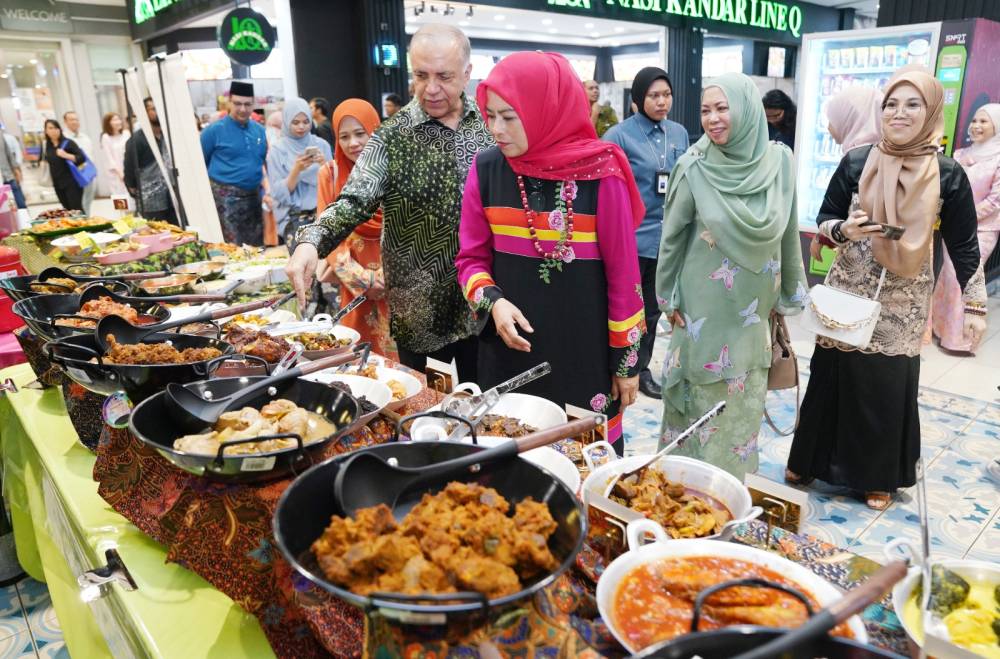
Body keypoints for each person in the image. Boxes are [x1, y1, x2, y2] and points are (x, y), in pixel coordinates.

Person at [786, 71, 987, 510]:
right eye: (891, 104)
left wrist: (974, 305)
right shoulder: (857, 161)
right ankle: (809, 460)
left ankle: (875, 477)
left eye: (913, 105)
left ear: (931, 112)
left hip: (903, 298)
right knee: (831, 377)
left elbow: (963, 244)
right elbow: (825, 219)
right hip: (848, 292)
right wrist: (844, 230)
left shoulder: (947, 174)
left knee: (885, 388)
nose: (899, 113)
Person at [456, 51, 646, 453]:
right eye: (491, 116)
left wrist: (626, 364)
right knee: (508, 457)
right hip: (510, 349)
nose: (497, 129)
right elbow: (470, 260)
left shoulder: (601, 174)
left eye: (510, 117)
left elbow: (624, 278)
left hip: (584, 353)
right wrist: (493, 303)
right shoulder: (487, 169)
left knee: (582, 460)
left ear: (545, 109)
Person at [285, 24, 494, 382]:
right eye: (421, 76)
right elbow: (353, 199)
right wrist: (310, 242)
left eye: (444, 76)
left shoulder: (489, 127)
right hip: (420, 312)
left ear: (467, 73)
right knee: (425, 404)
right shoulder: (392, 137)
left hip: (486, 303)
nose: (431, 88)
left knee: (488, 403)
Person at [656, 73, 806, 481]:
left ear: (745, 110)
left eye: (722, 108)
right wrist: (667, 297)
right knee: (697, 404)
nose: (712, 119)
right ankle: (683, 488)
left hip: (753, 315)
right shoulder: (693, 167)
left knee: (741, 409)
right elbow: (672, 238)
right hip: (702, 310)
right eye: (705, 111)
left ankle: (729, 489)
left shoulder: (780, 163)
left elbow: (788, 230)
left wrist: (788, 293)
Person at [604, 67, 689, 400]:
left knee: (652, 312)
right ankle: (612, 366)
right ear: (638, 98)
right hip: (630, 240)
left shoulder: (679, 133)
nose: (662, 101)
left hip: (667, 242)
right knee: (622, 309)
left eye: (666, 95)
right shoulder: (618, 136)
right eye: (654, 95)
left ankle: (640, 369)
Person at [314, 99, 397, 360]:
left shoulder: (399, 169)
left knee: (404, 358)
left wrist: (389, 276)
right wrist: (362, 280)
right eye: (344, 137)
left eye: (361, 133)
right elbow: (328, 234)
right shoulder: (330, 175)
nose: (353, 143)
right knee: (359, 355)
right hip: (354, 281)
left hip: (399, 277)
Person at [932, 104, 1000, 353]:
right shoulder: (960, 154)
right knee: (947, 277)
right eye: (974, 121)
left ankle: (961, 339)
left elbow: (995, 201)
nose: (976, 126)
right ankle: (941, 329)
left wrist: (965, 217)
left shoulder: (998, 159)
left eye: (984, 121)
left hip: (983, 230)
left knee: (966, 277)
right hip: (954, 227)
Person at [809, 86, 884, 261]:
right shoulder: (883, 153)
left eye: (833, 119)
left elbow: (841, 212)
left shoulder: (856, 159)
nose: (829, 127)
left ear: (851, 119)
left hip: (860, 263)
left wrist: (824, 235)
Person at [201, 81, 269, 245]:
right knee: (232, 249)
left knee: (256, 247)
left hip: (253, 198)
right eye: (238, 103)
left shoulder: (259, 131)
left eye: (247, 104)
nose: (243, 109)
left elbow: (261, 161)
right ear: (229, 102)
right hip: (225, 199)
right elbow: (201, 164)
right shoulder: (213, 131)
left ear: (253, 104)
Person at [266, 97, 332, 246]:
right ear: (286, 121)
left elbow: (333, 183)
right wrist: (296, 170)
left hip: (323, 215)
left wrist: (324, 165)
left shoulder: (322, 145)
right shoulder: (277, 151)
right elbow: (278, 193)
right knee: (302, 259)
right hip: (294, 219)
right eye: (295, 122)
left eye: (306, 122)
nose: (301, 127)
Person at [124, 98, 177, 224]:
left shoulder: (168, 136)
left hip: (172, 198)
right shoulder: (136, 140)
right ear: (145, 113)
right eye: (154, 109)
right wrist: (137, 192)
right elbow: (129, 171)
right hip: (151, 202)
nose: (158, 112)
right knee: (155, 232)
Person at [42, 119, 86, 212]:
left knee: (76, 209)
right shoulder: (47, 146)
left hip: (72, 183)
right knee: (66, 210)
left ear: (60, 129)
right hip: (57, 184)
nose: (54, 131)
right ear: (46, 131)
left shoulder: (68, 143)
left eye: (56, 128)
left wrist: (66, 155)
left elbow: (81, 158)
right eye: (50, 128)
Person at [62, 111, 95, 214]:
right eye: (71, 119)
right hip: (73, 176)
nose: (75, 122)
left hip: (87, 173)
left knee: (87, 201)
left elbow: (90, 155)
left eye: (76, 119)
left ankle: (87, 220)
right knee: (77, 205)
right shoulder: (64, 139)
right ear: (65, 122)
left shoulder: (85, 137)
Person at [99, 112, 130, 198]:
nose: (118, 122)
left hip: (128, 169)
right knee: (120, 198)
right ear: (108, 123)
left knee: (132, 196)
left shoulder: (126, 133)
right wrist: (120, 173)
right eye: (115, 120)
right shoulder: (106, 137)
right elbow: (109, 158)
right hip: (116, 173)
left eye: (119, 119)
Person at [0, 125, 25, 209]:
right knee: (4, 209)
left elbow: (8, 154)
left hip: (8, 175)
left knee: (21, 204)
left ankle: (24, 216)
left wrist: (16, 169)